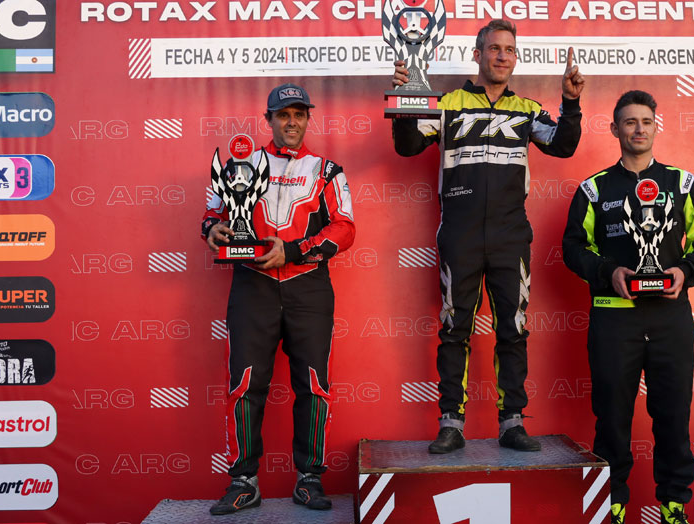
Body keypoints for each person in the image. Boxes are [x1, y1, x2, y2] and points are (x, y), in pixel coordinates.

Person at [391, 19, 584, 454]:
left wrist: (570, 103)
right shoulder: (448, 103)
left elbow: (562, 145)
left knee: (512, 329)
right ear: (477, 55)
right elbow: (407, 145)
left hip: (510, 236)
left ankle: (512, 423)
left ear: (516, 58)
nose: (501, 56)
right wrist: (404, 105)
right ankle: (451, 423)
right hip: (459, 234)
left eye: (509, 49)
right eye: (494, 48)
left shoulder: (527, 109)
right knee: (454, 327)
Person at [562, 90, 694, 524]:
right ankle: (613, 503)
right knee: (612, 418)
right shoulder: (594, 188)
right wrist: (609, 272)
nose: (639, 129)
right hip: (614, 319)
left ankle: (673, 505)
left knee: (673, 415)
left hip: (670, 317)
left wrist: (685, 271)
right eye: (630, 122)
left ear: (656, 127)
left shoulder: (682, 184)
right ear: (615, 129)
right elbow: (573, 248)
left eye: (646, 121)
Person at [201, 83, 355, 515]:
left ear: (308, 119)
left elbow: (345, 228)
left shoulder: (327, 170)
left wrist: (294, 251)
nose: (291, 122)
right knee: (245, 384)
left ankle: (309, 479)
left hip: (308, 285)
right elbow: (213, 214)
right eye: (283, 115)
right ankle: (243, 481)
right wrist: (213, 229)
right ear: (268, 119)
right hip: (253, 285)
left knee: (314, 385)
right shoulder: (240, 165)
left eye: (299, 114)